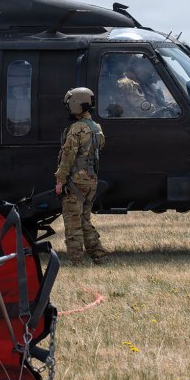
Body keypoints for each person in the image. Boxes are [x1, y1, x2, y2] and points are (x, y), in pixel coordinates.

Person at [54, 87, 110, 266]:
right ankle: (99, 255)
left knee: (73, 223)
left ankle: (76, 261)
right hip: (91, 182)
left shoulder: (76, 129)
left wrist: (60, 181)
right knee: (84, 220)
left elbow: (67, 156)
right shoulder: (96, 128)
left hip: (75, 183)